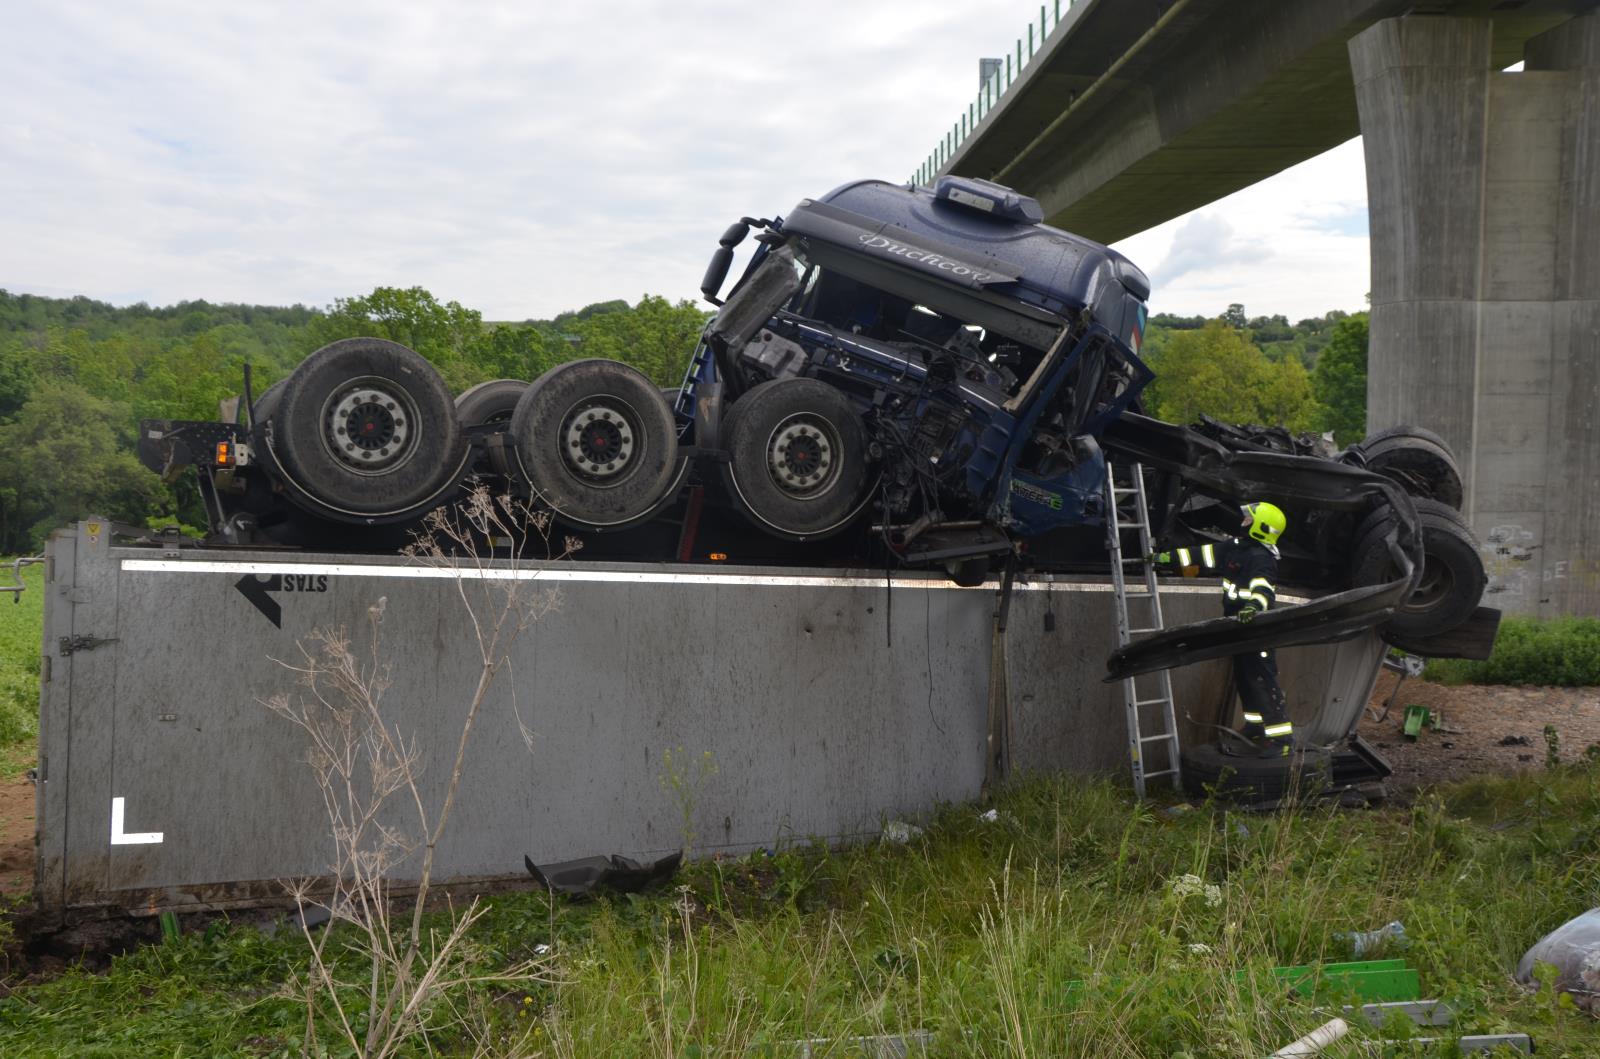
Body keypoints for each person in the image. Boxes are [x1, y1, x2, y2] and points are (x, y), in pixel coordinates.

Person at [1150, 501, 1293, 757]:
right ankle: (1255, 725)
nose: (1243, 521)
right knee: (1244, 678)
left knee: (1261, 680)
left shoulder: (1262, 559)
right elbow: (1199, 554)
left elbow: (1263, 590)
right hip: (1236, 629)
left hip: (1257, 632)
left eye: (1249, 519)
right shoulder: (1234, 548)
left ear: (1261, 527)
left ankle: (1281, 739)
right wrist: (1165, 558)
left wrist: (1253, 608)